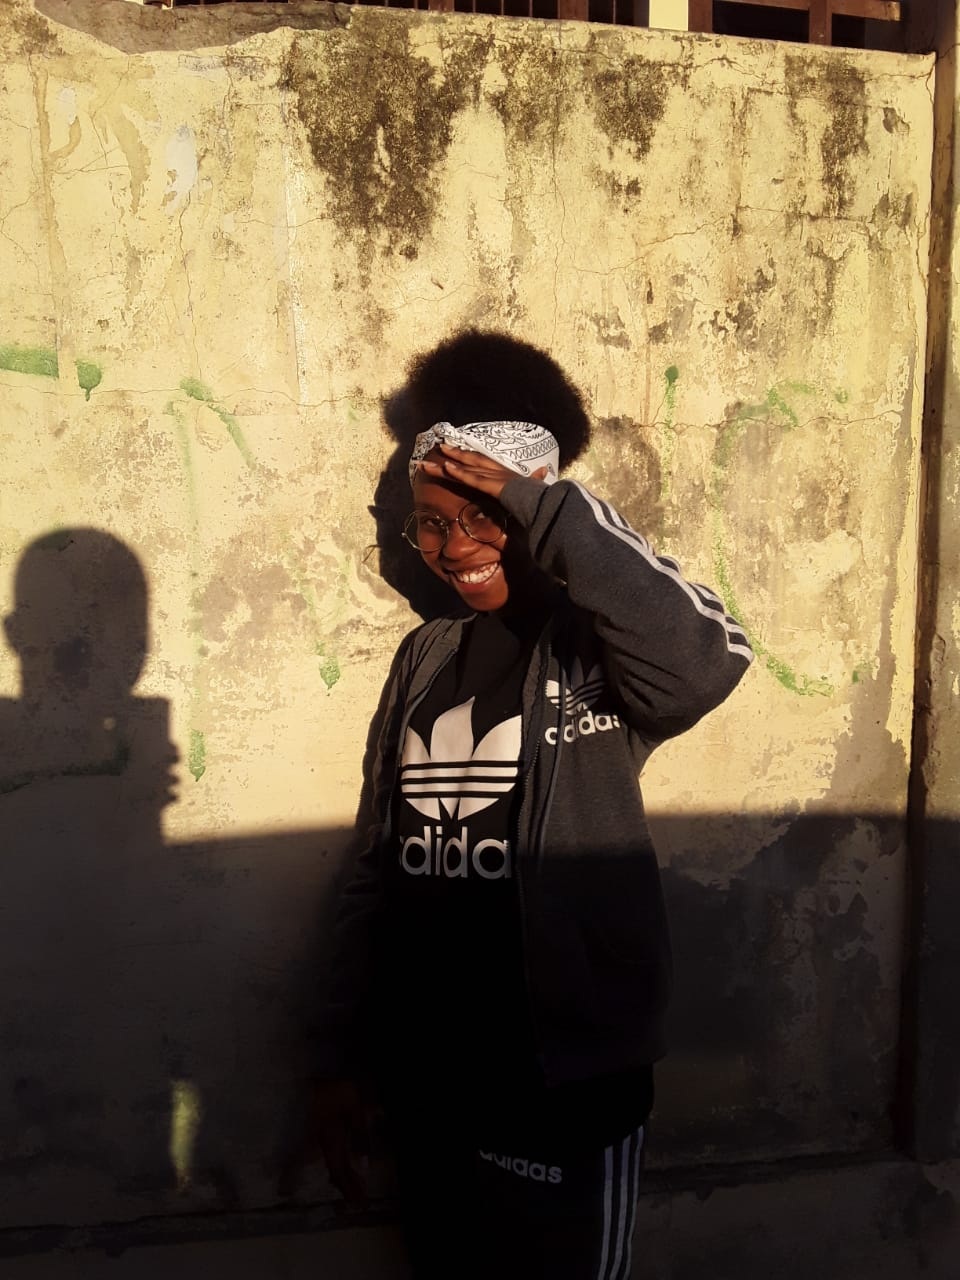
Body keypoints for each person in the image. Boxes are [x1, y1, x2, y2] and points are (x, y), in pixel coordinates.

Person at [313, 332, 752, 1280]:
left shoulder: (593, 646)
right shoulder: (426, 656)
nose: (454, 548)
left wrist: (548, 511)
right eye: (431, 523)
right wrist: (344, 1054)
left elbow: (705, 663)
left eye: (485, 516)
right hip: (430, 1078)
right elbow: (375, 863)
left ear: (536, 505)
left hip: (564, 1084)